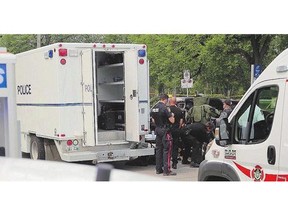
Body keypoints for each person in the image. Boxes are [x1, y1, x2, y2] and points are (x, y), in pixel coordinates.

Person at [150, 93, 176, 176]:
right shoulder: (165, 108)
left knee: (158, 149)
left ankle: (158, 169)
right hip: (165, 130)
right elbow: (172, 121)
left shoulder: (154, 107)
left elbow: (153, 120)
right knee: (167, 150)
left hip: (157, 129)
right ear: (166, 99)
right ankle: (167, 170)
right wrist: (172, 115)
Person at [169, 96, 184, 169]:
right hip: (176, 130)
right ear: (175, 102)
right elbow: (181, 121)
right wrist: (178, 127)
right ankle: (174, 163)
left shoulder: (167, 110)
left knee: (167, 146)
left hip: (168, 130)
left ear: (170, 102)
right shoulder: (179, 110)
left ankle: (167, 162)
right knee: (175, 146)